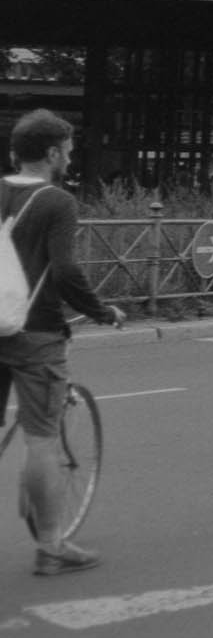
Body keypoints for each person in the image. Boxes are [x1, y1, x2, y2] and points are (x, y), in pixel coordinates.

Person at [2, 110, 124, 575]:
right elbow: (66, 271)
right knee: (41, 441)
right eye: (68, 152)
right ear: (52, 153)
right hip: (35, 333)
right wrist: (101, 310)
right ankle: (51, 545)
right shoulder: (57, 202)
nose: (70, 159)